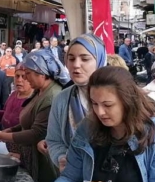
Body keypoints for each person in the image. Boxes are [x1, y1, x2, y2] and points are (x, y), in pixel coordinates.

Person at [0, 50, 68, 182]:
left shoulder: (52, 96)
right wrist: (12, 129)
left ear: (41, 73)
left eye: (28, 74)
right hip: (30, 158)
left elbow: (36, 133)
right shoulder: (39, 91)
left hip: (45, 163)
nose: (25, 79)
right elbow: (29, 120)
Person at [42, 34, 107, 172]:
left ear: (100, 60)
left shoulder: (119, 98)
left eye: (85, 59)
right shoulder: (62, 99)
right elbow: (54, 140)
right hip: (73, 180)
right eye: (71, 59)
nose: (76, 65)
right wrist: (61, 157)